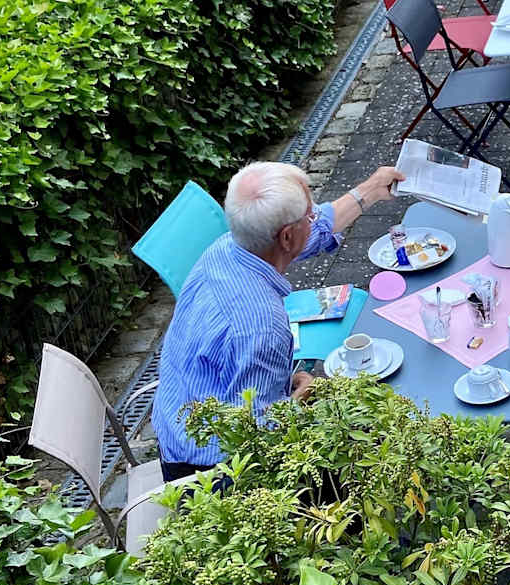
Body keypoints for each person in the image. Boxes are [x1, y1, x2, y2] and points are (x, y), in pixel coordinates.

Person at [152, 160, 402, 477]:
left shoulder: (227, 247)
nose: (315, 219)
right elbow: (259, 437)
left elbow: (308, 236)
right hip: (211, 472)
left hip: (180, 417)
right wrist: (299, 398)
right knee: (373, 449)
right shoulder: (263, 329)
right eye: (309, 216)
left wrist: (371, 189)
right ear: (286, 237)